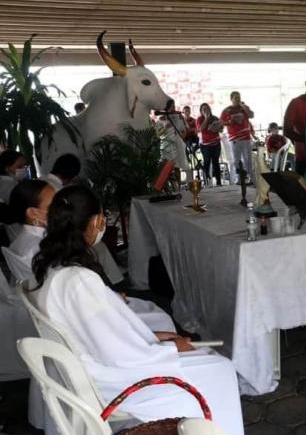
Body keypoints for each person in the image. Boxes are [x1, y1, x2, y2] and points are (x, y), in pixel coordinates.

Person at [28, 185, 244, 434]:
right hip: (113, 379)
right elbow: (121, 353)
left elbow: (105, 334)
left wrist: (155, 337)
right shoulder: (78, 280)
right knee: (221, 370)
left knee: (207, 358)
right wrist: (171, 348)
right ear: (98, 221)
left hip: (96, 365)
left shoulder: (50, 266)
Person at [7, 180, 169, 331]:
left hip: (72, 312)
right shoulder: (47, 251)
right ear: (33, 213)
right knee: (159, 317)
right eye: (54, 206)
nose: (60, 211)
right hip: (84, 319)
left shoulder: (20, 243)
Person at [221, 91, 255, 184]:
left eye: (238, 97)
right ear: (231, 99)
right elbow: (221, 122)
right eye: (235, 98)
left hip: (246, 137)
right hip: (234, 138)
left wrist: (244, 106)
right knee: (236, 159)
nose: (237, 99)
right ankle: (239, 179)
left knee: (248, 158)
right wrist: (230, 121)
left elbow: (251, 115)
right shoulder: (227, 110)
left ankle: (251, 177)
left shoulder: (244, 108)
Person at [156, 99, 190, 186]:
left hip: (178, 144)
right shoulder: (160, 120)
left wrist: (182, 136)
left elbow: (184, 130)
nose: (174, 108)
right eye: (172, 107)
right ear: (166, 108)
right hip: (166, 146)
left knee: (177, 167)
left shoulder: (177, 117)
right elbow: (158, 134)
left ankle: (178, 187)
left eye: (174, 106)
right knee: (167, 167)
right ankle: (166, 187)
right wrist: (165, 127)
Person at [196, 103, 223, 187]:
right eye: (203, 109)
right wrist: (206, 118)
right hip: (205, 144)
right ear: (201, 111)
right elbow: (201, 129)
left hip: (216, 143)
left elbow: (221, 129)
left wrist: (218, 128)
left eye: (207, 109)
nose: (205, 110)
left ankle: (218, 181)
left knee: (216, 162)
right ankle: (206, 181)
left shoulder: (215, 118)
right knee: (207, 161)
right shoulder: (199, 119)